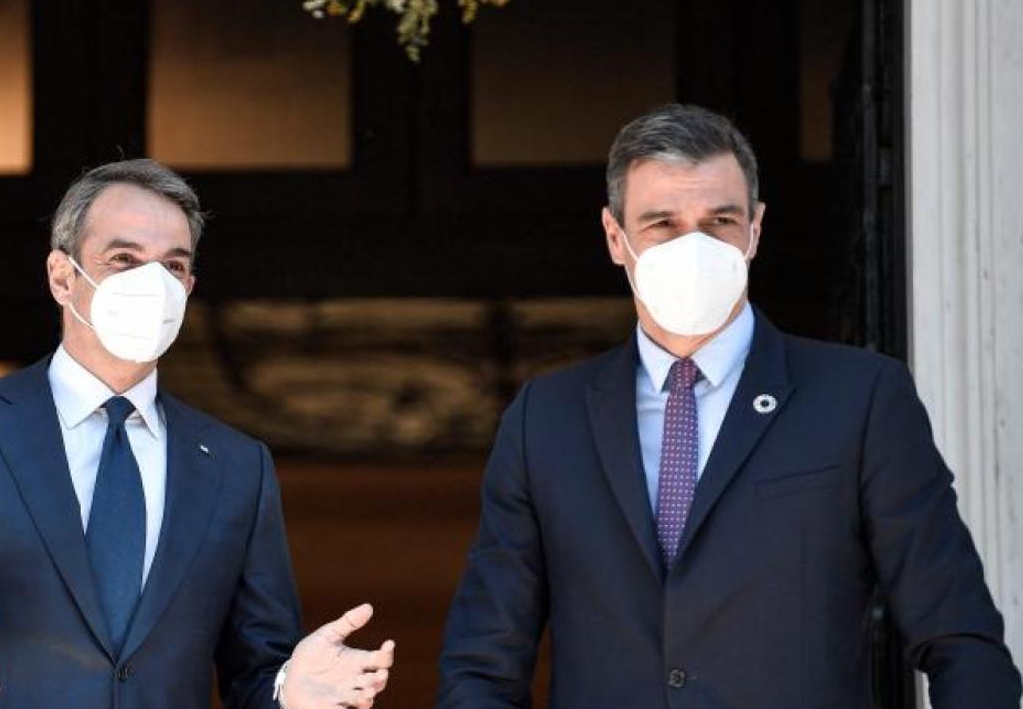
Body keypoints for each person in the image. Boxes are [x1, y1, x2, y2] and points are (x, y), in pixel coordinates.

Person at [436, 104, 1020, 709]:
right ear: (615, 237)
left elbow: (960, 638)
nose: (693, 247)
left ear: (755, 230)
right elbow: (482, 667)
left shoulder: (861, 399)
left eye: (719, 221)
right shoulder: (545, 421)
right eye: (662, 223)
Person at [0, 159, 395, 709]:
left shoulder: (236, 466)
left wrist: (290, 690)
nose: (153, 283)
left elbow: (256, 671)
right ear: (62, 277)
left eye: (173, 266)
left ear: (188, 289)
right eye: (124, 259)